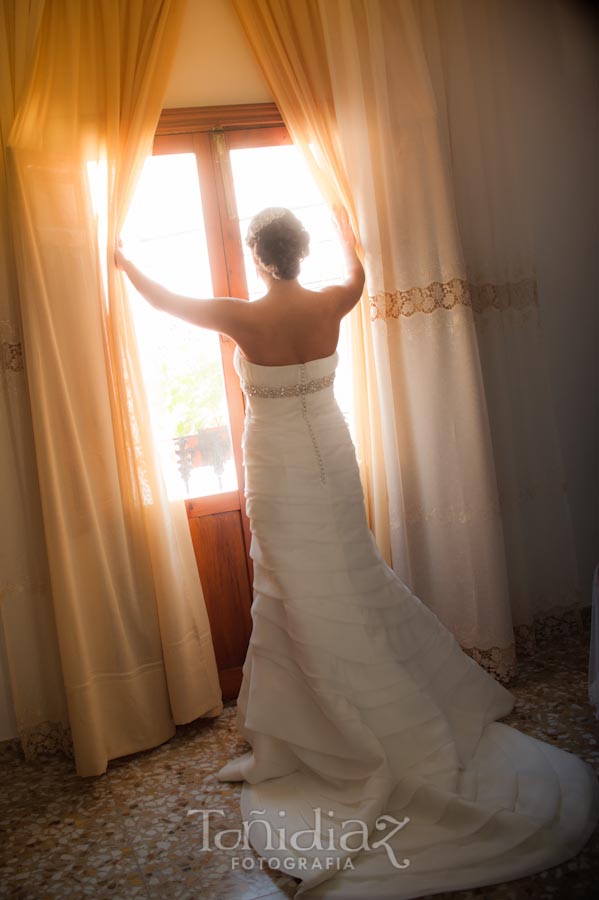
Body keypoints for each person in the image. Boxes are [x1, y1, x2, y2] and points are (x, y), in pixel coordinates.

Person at [115, 208, 599, 899]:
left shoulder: (242, 316)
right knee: (345, 574)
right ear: (300, 252)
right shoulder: (335, 299)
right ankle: (353, 711)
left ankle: (327, 731)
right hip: (333, 457)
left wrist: (125, 260)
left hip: (280, 467)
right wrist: (349, 226)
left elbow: (165, 301)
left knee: (296, 588)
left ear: (257, 256)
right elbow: (361, 273)